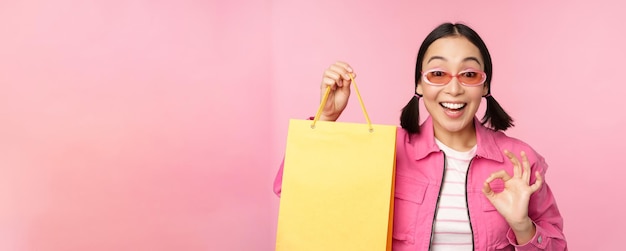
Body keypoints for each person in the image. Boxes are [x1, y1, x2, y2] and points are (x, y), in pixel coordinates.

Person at [273, 22, 567, 250]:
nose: (453, 89)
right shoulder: (387, 150)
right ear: (419, 84)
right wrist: (327, 119)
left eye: (468, 74)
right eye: (438, 74)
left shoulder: (520, 162)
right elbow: (295, 195)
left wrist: (522, 226)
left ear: (485, 85)